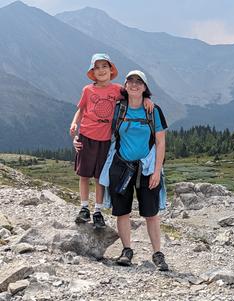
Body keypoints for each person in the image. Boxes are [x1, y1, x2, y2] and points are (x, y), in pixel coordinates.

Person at [69, 53, 153, 229]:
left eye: (104, 66)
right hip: (86, 135)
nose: (101, 70)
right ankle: (84, 208)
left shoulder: (117, 90)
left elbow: (133, 94)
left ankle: (98, 211)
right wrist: (74, 123)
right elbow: (82, 109)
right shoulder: (87, 90)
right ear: (92, 72)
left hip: (106, 139)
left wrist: (146, 98)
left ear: (111, 70)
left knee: (100, 177)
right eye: (97, 67)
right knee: (84, 175)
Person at [108, 70, 169, 270]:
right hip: (121, 166)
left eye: (139, 82)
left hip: (147, 168)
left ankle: (158, 254)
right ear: (125, 86)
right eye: (130, 81)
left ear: (145, 88)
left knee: (151, 213)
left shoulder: (153, 111)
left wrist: (157, 171)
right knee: (122, 212)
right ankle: (127, 250)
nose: (134, 85)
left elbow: (160, 143)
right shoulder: (118, 109)